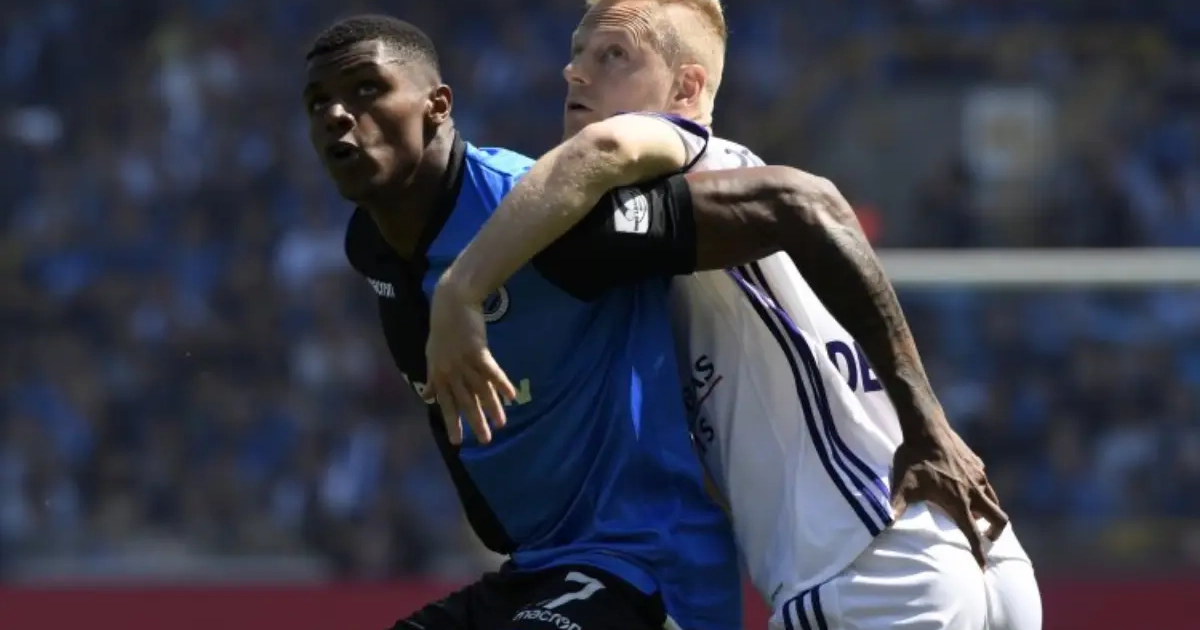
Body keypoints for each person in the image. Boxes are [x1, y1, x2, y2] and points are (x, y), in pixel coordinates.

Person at [425, 1, 1043, 629]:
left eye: (613, 55)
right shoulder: (716, 214)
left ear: (686, 89)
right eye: (577, 52)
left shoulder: (689, 157)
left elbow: (604, 147)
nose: (575, 72)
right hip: (969, 545)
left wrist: (461, 289)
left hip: (865, 562)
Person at [302, 14, 741, 630]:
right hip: (537, 569)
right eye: (318, 102)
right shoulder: (371, 251)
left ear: (438, 106)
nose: (336, 114)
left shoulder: (542, 212)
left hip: (649, 568)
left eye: (366, 89)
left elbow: (787, 208)